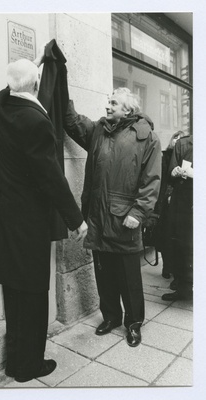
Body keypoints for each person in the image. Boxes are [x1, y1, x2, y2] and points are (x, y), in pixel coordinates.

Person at [0, 56, 87, 383]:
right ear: (36, 85)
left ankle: (15, 362)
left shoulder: (1, 104)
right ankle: (29, 366)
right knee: (34, 296)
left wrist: (29, 71)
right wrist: (75, 219)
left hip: (5, 214)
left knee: (14, 292)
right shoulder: (36, 121)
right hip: (27, 221)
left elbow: (13, 87)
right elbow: (50, 177)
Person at [64, 88, 161, 347]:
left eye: (113, 103)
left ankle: (134, 323)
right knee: (103, 272)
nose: (107, 106)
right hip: (98, 216)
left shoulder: (146, 137)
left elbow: (151, 180)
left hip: (125, 219)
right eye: (108, 101)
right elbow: (71, 122)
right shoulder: (99, 130)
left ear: (127, 109)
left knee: (129, 277)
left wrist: (138, 212)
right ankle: (112, 317)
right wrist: (59, 79)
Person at [147, 131, 185, 280]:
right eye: (175, 137)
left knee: (175, 237)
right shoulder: (165, 156)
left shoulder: (185, 157)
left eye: (181, 139)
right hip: (162, 201)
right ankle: (166, 266)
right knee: (163, 236)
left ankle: (174, 268)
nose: (177, 141)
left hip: (177, 202)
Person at [162, 134, 193, 301]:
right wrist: (174, 172)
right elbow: (170, 173)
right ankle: (182, 289)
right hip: (182, 203)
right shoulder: (183, 144)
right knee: (180, 245)